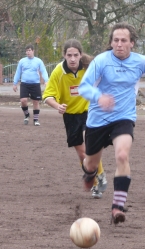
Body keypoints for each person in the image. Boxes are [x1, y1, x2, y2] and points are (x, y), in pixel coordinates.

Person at [78, 22, 145, 225]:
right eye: (115, 40)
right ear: (111, 42)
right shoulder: (101, 61)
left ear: (132, 43)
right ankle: (89, 173)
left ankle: (117, 207)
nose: (119, 44)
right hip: (97, 120)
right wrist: (99, 97)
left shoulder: (142, 62)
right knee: (91, 163)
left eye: (124, 40)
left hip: (123, 118)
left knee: (122, 155)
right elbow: (84, 87)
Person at [42, 39, 107, 199]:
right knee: (82, 154)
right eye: (69, 55)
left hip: (89, 112)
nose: (72, 59)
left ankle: (100, 178)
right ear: (64, 55)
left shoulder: (89, 68)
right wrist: (57, 106)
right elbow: (48, 95)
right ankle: (93, 175)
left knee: (89, 144)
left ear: (80, 55)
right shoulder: (59, 72)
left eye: (75, 55)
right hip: (71, 117)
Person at [13, 44, 49, 126]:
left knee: (36, 102)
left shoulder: (38, 61)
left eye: (29, 50)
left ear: (33, 51)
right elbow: (18, 72)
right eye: (26, 51)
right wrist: (15, 83)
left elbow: (43, 71)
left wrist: (47, 81)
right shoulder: (22, 61)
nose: (28, 52)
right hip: (24, 83)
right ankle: (26, 114)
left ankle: (36, 120)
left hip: (35, 84)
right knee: (23, 100)